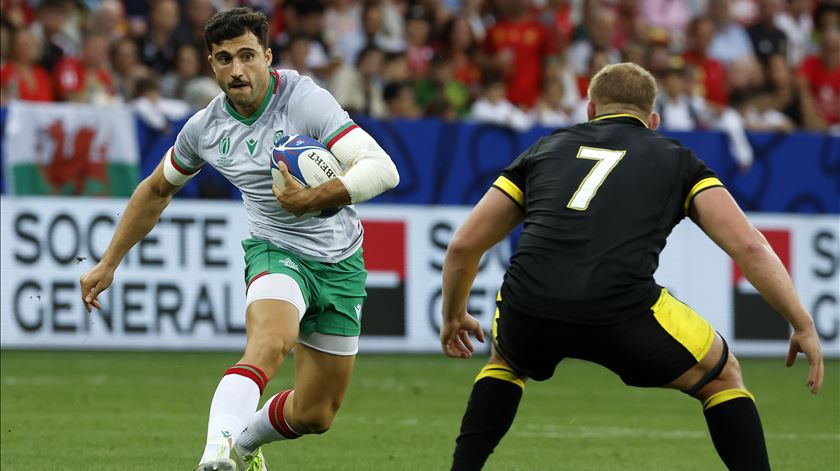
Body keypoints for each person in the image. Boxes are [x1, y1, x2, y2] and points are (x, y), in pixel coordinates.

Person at [439, 62, 823, 471]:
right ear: (653, 120)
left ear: (589, 110)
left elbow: (464, 245)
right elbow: (749, 246)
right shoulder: (679, 160)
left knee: (507, 362)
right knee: (723, 376)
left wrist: (454, 315)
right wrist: (802, 323)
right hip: (620, 308)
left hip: (531, 302)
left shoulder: (544, 149)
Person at [78, 7, 399, 471]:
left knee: (316, 413)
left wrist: (311, 198)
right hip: (275, 248)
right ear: (211, 64)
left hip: (340, 260)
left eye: (247, 56)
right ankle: (215, 456)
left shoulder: (303, 100)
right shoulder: (205, 129)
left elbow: (382, 169)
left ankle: (245, 444)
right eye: (224, 58)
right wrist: (109, 261)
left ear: (268, 57)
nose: (236, 69)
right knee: (270, 343)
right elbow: (155, 190)